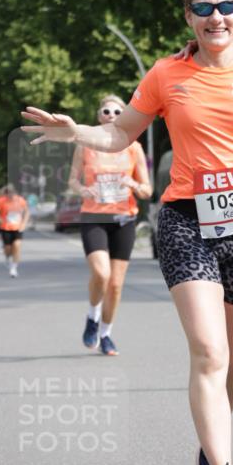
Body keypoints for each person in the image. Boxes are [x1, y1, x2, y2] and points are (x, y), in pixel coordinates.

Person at [22, 0, 233, 465]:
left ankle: (213, 435)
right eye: (203, 8)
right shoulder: (166, 74)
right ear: (189, 15)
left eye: (226, 6)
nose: (215, 17)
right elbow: (120, 132)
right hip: (186, 222)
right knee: (208, 350)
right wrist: (74, 131)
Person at [67, 95, 152, 357]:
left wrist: (134, 185)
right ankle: (92, 317)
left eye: (118, 111)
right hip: (94, 217)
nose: (112, 114)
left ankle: (105, 334)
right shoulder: (85, 146)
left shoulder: (133, 148)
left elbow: (148, 190)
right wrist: (84, 189)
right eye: (107, 110)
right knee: (101, 274)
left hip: (124, 218)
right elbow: (72, 181)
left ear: (124, 115)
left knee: (115, 285)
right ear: (99, 115)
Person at [0, 184, 30, 278]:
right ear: (6, 194)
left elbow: (27, 212)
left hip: (18, 228)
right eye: (8, 193)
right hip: (5, 228)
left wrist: (24, 223)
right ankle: (7, 257)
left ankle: (14, 268)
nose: (10, 195)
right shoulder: (2, 202)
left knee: (17, 246)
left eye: (12, 193)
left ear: (14, 192)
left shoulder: (20, 201)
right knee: (7, 249)